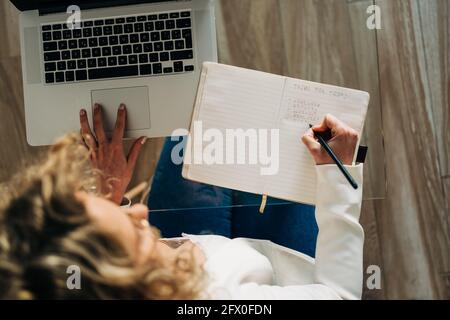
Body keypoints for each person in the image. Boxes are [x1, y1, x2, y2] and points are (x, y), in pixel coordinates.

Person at [0, 103, 363, 300]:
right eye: (135, 233)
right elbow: (339, 296)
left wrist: (111, 202)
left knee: (190, 139)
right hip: (280, 267)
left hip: (208, 247)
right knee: (275, 138)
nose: (140, 209)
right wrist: (339, 174)